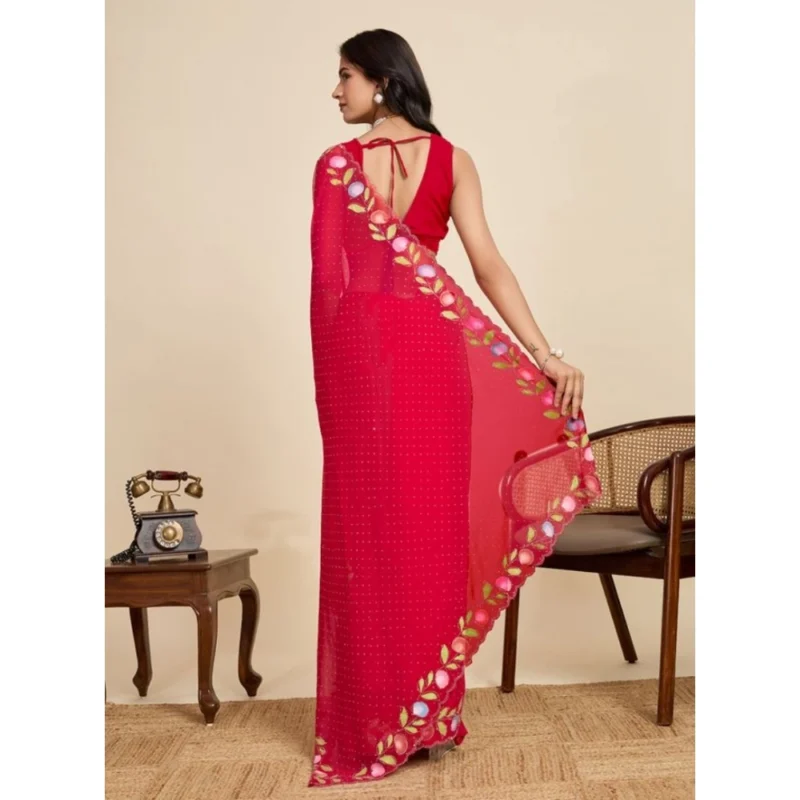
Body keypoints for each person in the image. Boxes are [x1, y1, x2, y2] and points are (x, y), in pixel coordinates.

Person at [308, 29, 601, 788]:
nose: (336, 91)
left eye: (346, 76)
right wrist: (544, 353)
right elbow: (487, 264)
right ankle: (430, 718)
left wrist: (335, 384)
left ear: (382, 80)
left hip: (365, 359)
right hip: (435, 355)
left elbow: (331, 286)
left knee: (369, 530)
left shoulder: (337, 167)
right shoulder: (453, 159)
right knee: (432, 526)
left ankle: (375, 718)